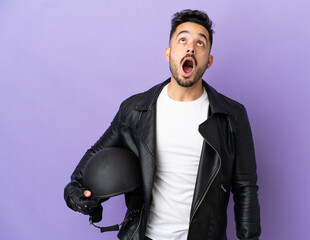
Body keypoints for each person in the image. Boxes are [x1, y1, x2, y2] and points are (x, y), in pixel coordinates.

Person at [64, 9, 261, 240]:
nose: (190, 48)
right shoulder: (135, 110)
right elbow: (90, 161)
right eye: (183, 40)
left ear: (209, 60)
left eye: (200, 43)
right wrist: (76, 195)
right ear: (168, 53)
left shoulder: (231, 116)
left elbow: (245, 188)